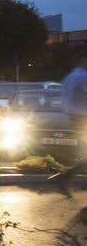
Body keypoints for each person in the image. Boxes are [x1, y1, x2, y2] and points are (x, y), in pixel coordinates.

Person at [49, 52, 87, 202]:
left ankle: (68, 177)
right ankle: (66, 177)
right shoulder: (82, 77)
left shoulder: (70, 77)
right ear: (83, 61)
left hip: (75, 118)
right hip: (84, 118)